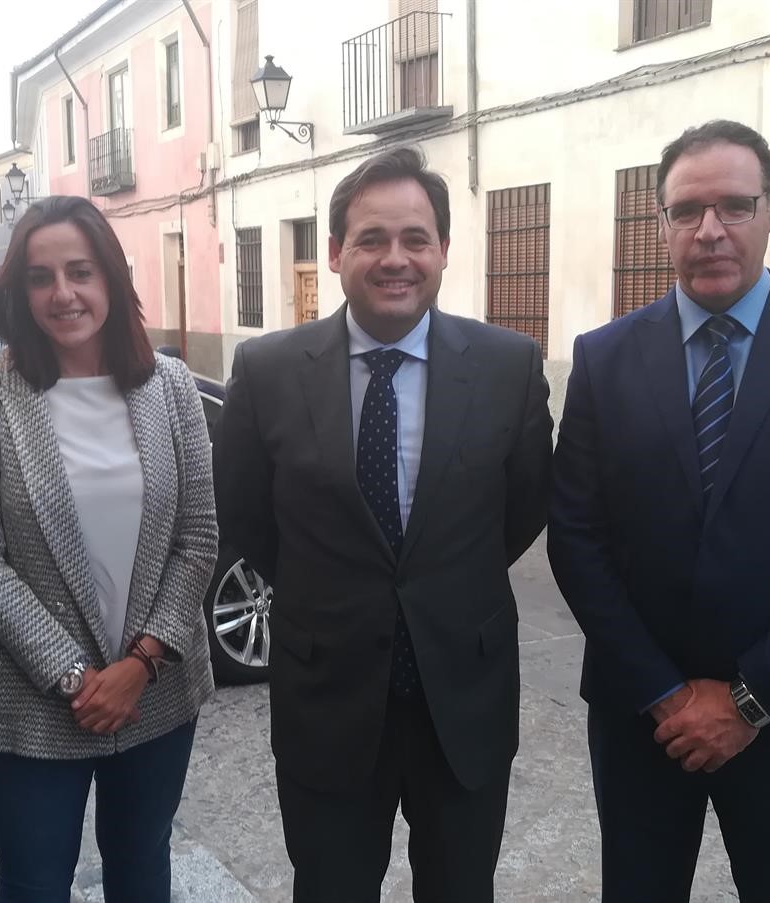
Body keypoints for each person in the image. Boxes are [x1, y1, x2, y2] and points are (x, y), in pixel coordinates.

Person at [547, 119, 770, 901]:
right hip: (646, 719)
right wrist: (668, 696)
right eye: (687, 210)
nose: (710, 230)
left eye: (734, 206)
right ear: (661, 223)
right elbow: (578, 538)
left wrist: (749, 699)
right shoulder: (606, 358)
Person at [213, 147, 553, 902]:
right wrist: (331, 587)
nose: (394, 258)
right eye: (371, 239)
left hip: (462, 698)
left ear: (442, 251)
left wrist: (441, 581)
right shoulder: (267, 372)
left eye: (414, 238)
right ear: (335, 253)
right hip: (326, 697)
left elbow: (522, 508)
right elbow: (244, 515)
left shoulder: (508, 367)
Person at [0, 195, 217, 903]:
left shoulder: (170, 386)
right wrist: (74, 676)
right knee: (34, 881)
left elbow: (198, 535)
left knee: (142, 865)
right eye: (40, 276)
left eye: (80, 271)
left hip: (154, 690)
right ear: (17, 291)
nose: (62, 293)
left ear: (112, 281)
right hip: (30, 697)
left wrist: (139, 664)